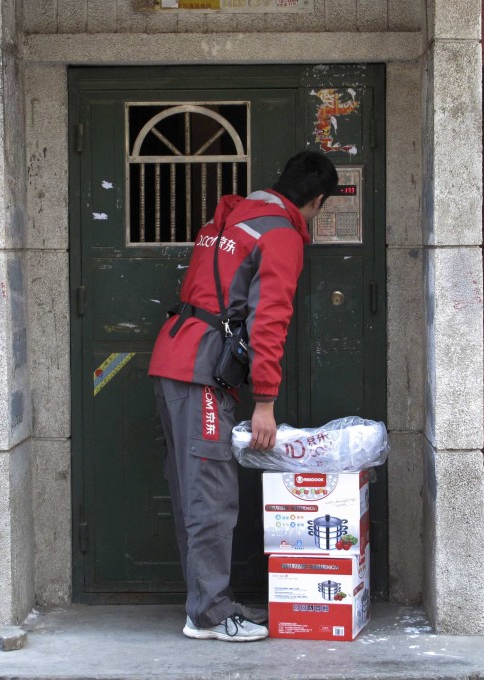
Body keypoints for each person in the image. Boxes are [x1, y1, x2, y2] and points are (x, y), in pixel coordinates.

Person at [148, 151, 338, 642]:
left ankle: (204, 603)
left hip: (174, 357)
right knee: (210, 495)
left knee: (193, 493)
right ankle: (208, 614)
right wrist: (266, 402)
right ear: (315, 200)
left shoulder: (230, 215)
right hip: (201, 372)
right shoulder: (281, 233)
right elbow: (269, 321)